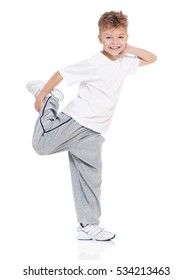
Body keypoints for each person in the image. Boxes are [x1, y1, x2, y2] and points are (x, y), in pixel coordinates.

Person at [26, 11, 157, 241]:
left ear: (127, 37)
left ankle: (88, 226)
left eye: (120, 37)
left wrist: (131, 49)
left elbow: (152, 58)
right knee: (41, 145)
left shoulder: (125, 62)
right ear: (100, 39)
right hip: (77, 121)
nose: (115, 43)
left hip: (95, 132)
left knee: (91, 178)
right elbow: (61, 74)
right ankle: (51, 101)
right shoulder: (94, 63)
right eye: (109, 37)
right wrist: (43, 95)